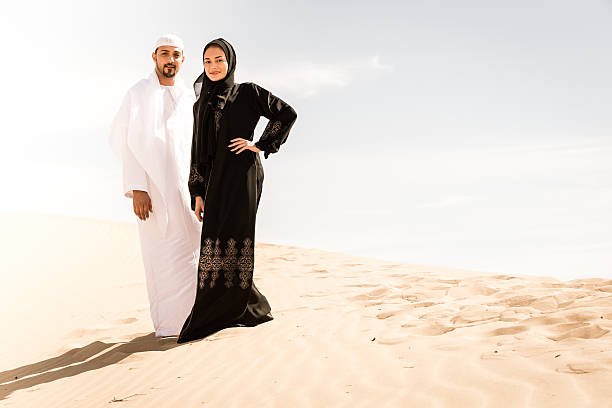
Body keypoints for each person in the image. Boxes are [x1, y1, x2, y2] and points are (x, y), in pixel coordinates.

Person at [177, 38, 297, 343]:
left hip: (243, 175)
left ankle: (234, 307)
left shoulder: (248, 92)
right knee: (214, 240)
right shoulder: (200, 104)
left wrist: (260, 145)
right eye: (207, 62)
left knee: (237, 236)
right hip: (216, 179)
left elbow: (286, 113)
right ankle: (245, 306)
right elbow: (196, 151)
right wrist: (197, 191)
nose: (214, 67)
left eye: (219, 60)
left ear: (230, 61)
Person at [109, 34, 201, 337]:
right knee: (161, 258)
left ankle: (196, 320)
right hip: (153, 193)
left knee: (192, 256)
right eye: (165, 54)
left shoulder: (190, 96)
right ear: (154, 57)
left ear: (183, 60)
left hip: (188, 192)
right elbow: (122, 140)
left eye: (176, 55)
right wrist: (137, 187)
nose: (170, 60)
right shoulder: (138, 94)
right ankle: (168, 327)